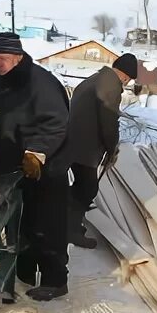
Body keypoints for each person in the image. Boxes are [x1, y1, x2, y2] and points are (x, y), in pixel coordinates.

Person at [0, 32, 70, 302]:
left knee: (47, 225)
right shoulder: (5, 81)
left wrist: (37, 153)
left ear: (18, 58)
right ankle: (24, 272)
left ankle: (56, 280)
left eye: (2, 59)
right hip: (19, 166)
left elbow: (57, 123)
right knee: (23, 224)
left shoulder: (40, 83)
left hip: (47, 165)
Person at [56, 53, 138, 248]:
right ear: (125, 76)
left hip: (74, 144)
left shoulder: (94, 79)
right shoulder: (111, 86)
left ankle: (66, 223)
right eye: (127, 80)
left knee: (81, 187)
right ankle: (70, 231)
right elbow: (109, 121)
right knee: (87, 189)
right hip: (86, 147)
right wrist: (112, 148)